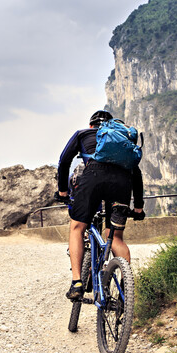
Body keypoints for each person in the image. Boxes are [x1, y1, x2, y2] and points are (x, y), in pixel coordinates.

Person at [55, 110, 145, 300]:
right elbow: (135, 173)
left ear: (91, 126)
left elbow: (64, 161)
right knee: (116, 237)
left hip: (93, 179)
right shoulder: (122, 139)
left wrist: (63, 191)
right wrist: (138, 207)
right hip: (122, 184)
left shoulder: (82, 134)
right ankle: (125, 288)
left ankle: (77, 282)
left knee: (77, 227)